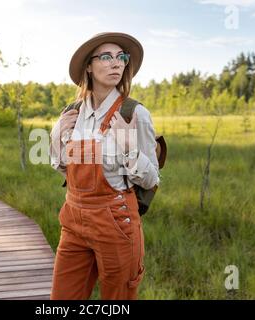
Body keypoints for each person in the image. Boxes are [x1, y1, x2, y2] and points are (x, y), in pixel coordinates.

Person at [49, 32, 160, 300]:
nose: (116, 63)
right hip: (73, 222)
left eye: (121, 57)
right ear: (89, 65)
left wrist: (128, 147)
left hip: (116, 224)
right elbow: (64, 168)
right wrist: (55, 136)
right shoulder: (71, 113)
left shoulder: (134, 114)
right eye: (106, 57)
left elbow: (152, 179)